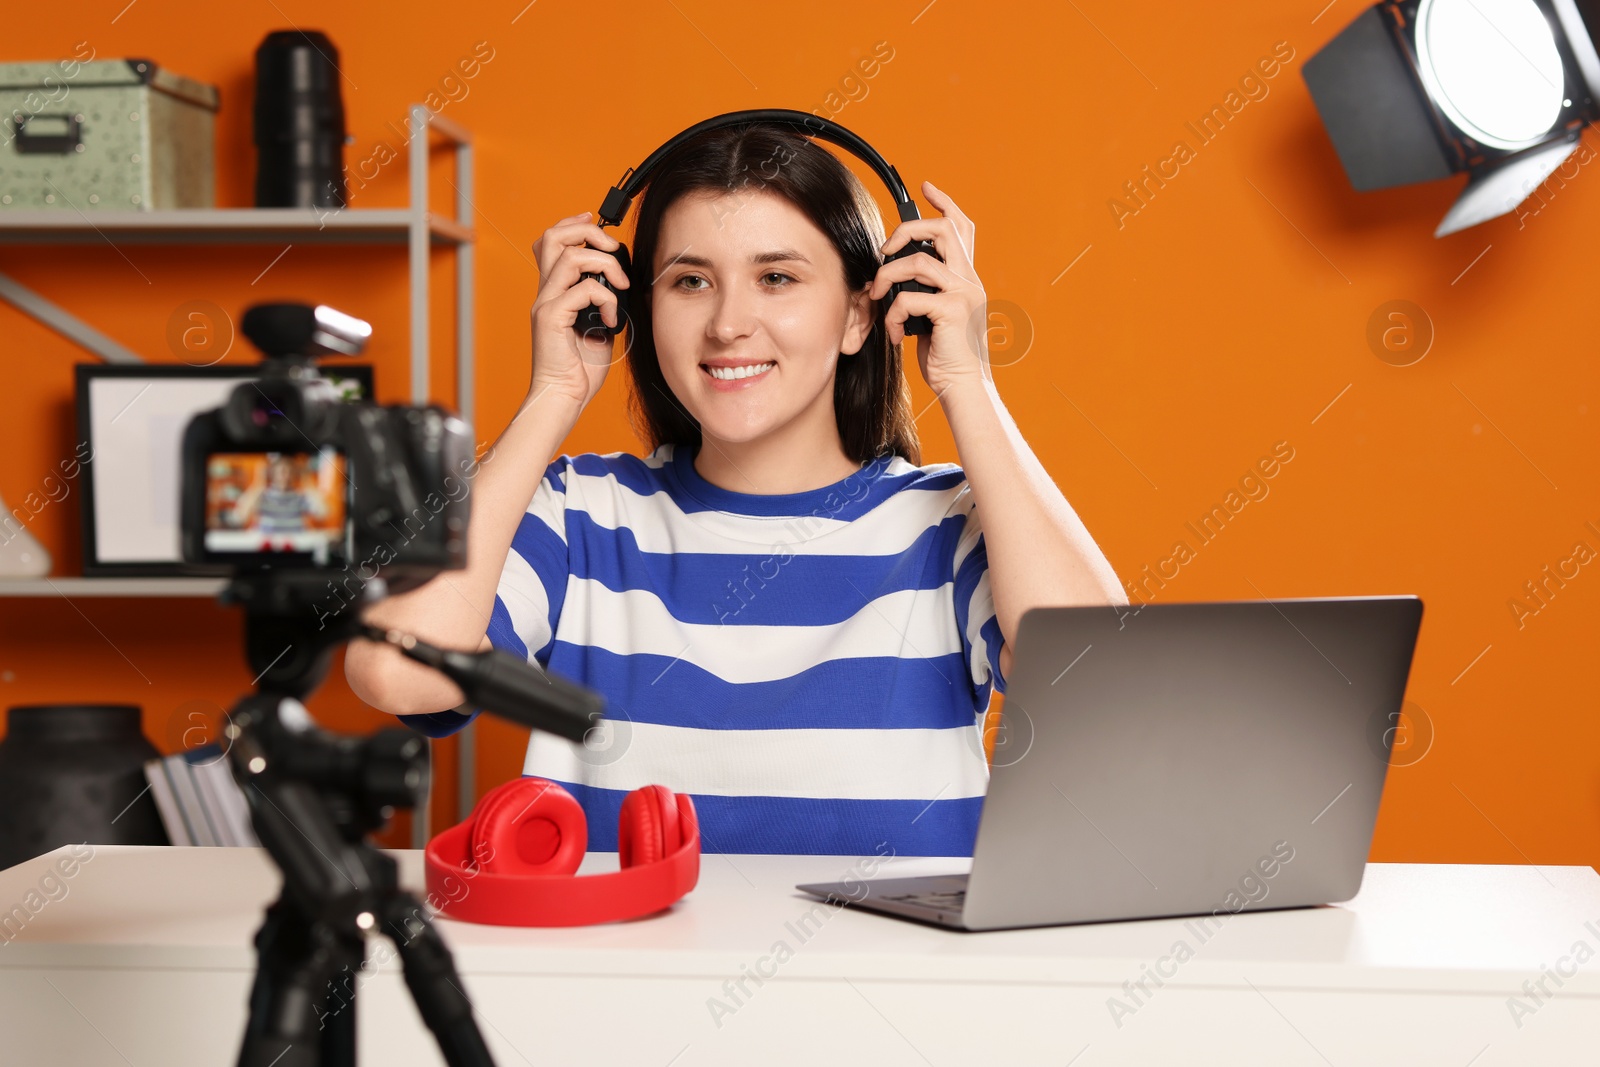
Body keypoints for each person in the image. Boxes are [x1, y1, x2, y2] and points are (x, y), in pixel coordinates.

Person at [345, 123, 1127, 855]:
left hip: (895, 990)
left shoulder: (948, 525)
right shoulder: (579, 514)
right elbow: (395, 670)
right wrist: (554, 392)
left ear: (862, 314)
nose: (728, 324)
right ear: (636, 310)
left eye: (777, 277)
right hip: (616, 988)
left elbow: (1101, 680)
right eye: (690, 282)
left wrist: (966, 380)